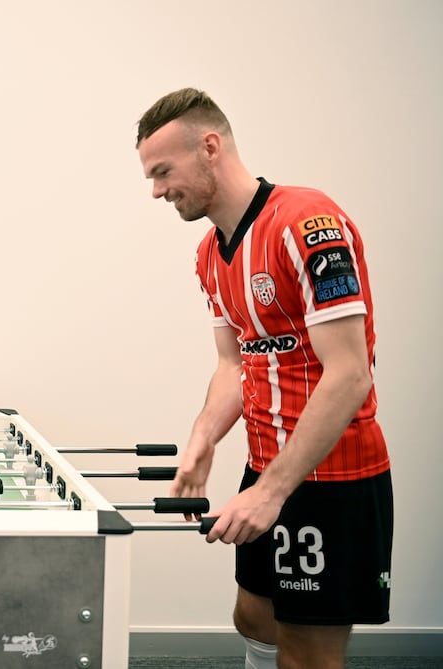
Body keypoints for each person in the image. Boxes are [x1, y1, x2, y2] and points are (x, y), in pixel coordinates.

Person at [135, 88, 392, 669]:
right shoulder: (209, 254)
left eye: (162, 172)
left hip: (333, 477)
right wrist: (202, 440)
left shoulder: (308, 223)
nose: (156, 191)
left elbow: (350, 374)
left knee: (307, 650)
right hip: (266, 463)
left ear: (209, 147)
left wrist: (273, 493)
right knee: (254, 615)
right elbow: (235, 364)